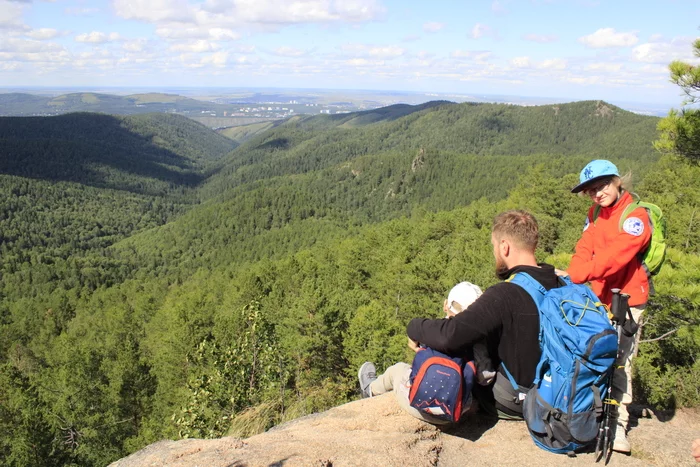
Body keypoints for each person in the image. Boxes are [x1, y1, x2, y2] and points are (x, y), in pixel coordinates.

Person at [405, 210, 559, 420]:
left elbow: (450, 335)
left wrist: (414, 327)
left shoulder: (505, 294)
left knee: (412, 379)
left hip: (516, 399)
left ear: (504, 246)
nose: (495, 253)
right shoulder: (560, 282)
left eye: (495, 247)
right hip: (557, 391)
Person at [565, 159, 652, 454]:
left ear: (616, 181)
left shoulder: (635, 217)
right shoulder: (596, 212)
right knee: (596, 355)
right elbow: (584, 246)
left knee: (621, 362)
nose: (597, 193)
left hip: (629, 300)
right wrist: (578, 269)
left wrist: (582, 272)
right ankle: (591, 413)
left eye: (602, 186)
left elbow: (618, 256)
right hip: (599, 296)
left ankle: (618, 425)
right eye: (591, 191)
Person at [357, 281, 485, 425]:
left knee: (398, 369)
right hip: (456, 411)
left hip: (418, 405)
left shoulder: (433, 329)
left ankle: (370, 390)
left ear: (445, 305)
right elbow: (485, 377)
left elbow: (415, 329)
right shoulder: (478, 342)